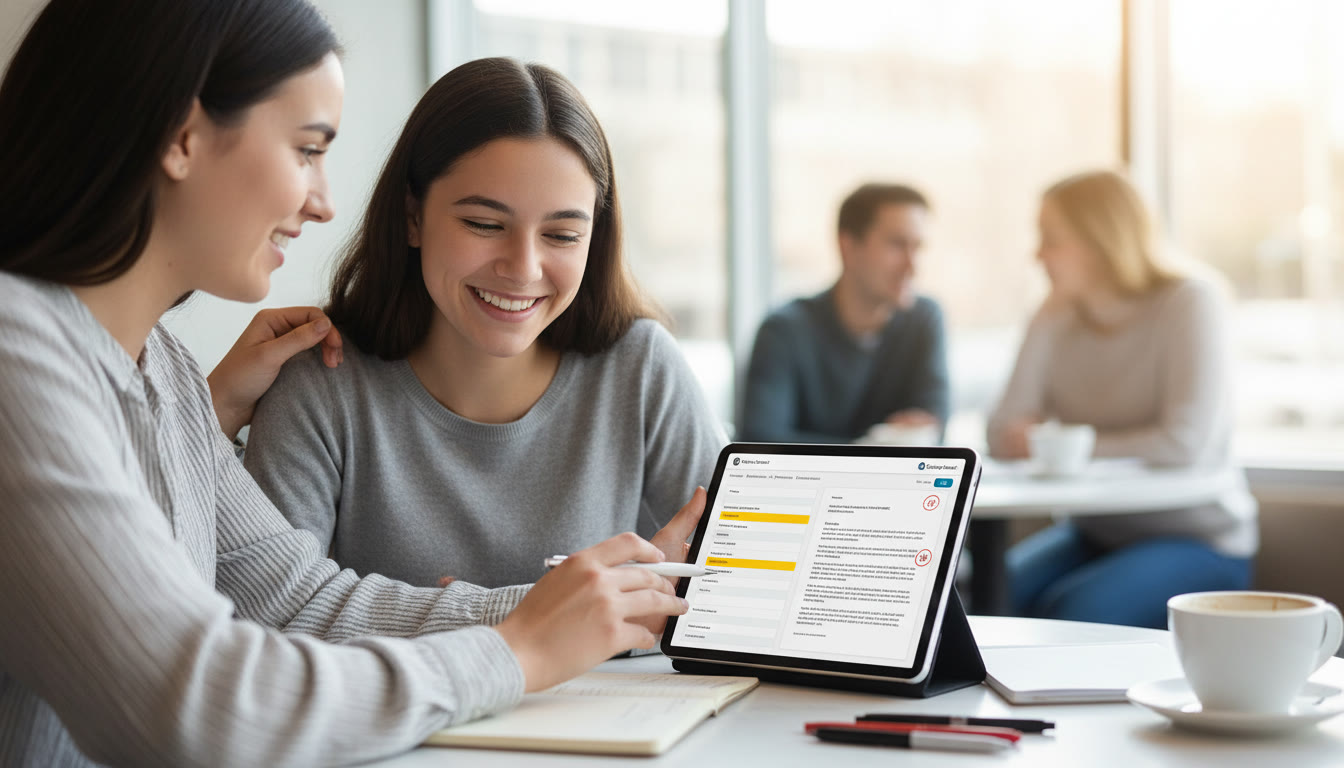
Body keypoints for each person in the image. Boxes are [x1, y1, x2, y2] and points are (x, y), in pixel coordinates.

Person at [0, 2, 691, 765]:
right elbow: (198, 703)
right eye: (306, 149)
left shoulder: (157, 365)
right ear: (182, 136)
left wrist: (561, 614)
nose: (323, 200)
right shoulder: (15, 351)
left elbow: (296, 600)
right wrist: (516, 653)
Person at [240, 57, 726, 590]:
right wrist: (543, 615)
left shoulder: (641, 366)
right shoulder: (321, 380)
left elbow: (739, 584)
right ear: (412, 217)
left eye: (562, 235)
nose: (523, 269)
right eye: (484, 224)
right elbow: (274, 613)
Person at [986, 170, 1257, 629]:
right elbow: (1000, 433)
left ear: (1099, 241)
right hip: (1095, 532)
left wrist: (1063, 447)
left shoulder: (1189, 302)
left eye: (1051, 239)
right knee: (981, 601)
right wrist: (1025, 437)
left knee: (1071, 616)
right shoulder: (1054, 314)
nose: (1037, 254)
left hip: (1197, 540)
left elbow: (1183, 445)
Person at [739, 183, 949, 444]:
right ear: (848, 247)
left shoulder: (924, 320)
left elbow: (930, 433)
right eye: (897, 245)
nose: (912, 265)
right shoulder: (784, 331)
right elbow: (762, 441)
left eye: (917, 247)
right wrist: (880, 445)